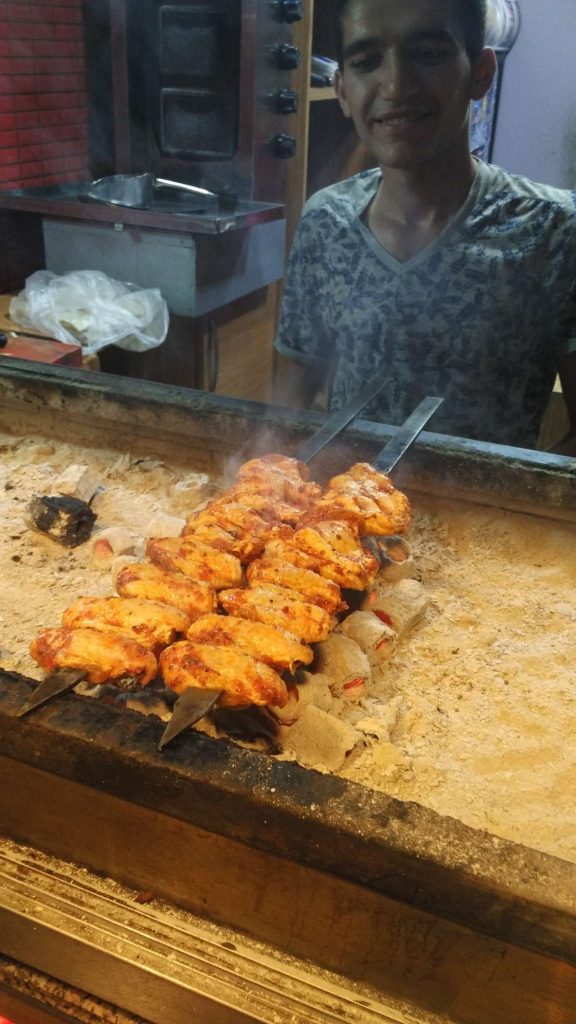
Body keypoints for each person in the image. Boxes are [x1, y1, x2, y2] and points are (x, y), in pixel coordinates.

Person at [274, 0, 576, 452]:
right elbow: (288, 410)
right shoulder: (325, 223)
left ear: (480, 73)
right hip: (339, 515)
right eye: (366, 61)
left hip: (481, 521)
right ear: (341, 90)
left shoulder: (554, 232)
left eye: (429, 53)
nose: (396, 85)